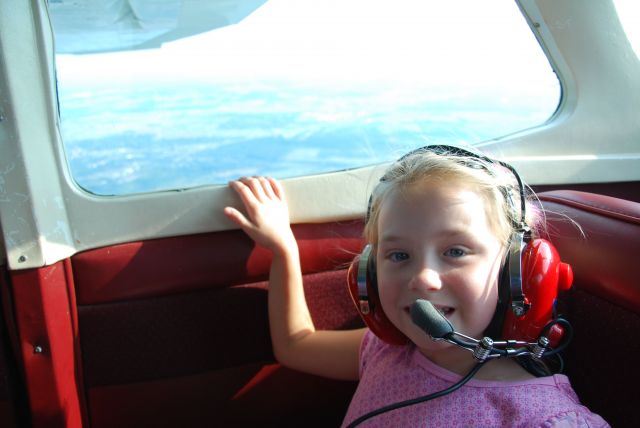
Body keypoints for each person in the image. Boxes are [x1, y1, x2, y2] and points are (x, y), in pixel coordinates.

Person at [223, 146, 608, 427]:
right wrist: (283, 248)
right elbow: (295, 344)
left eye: (455, 251)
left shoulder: (544, 419)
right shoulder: (383, 353)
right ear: (369, 276)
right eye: (399, 256)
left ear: (517, 272)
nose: (422, 278)